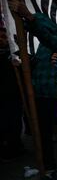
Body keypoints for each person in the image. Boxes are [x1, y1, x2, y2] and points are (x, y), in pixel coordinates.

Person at [8, 0, 57, 176]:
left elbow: (53, 40)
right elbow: (39, 67)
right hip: (41, 97)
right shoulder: (41, 48)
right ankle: (49, 167)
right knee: (43, 135)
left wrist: (30, 18)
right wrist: (24, 63)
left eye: (39, 26)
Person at [0, 27, 24, 162]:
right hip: (3, 95)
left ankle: (15, 145)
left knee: (14, 122)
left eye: (4, 37)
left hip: (14, 94)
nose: (2, 40)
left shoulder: (13, 54)